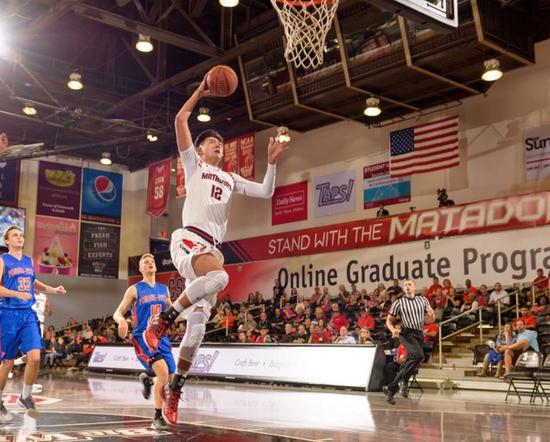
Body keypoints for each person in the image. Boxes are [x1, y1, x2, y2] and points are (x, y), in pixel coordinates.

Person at [143, 76, 290, 425]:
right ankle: (164, 321)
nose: (218, 146)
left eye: (220, 144)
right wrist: (200, 91)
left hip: (211, 249)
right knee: (221, 277)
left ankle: (175, 388)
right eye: (212, 142)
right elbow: (180, 119)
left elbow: (266, 192)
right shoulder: (194, 165)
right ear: (200, 149)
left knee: (196, 330)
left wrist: (271, 162)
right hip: (188, 239)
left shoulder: (230, 178)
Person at [0, 226, 66, 421]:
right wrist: (16, 294)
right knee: (7, 363)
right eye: (15, 235)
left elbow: (34, 283)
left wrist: (53, 290)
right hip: (8, 314)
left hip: (28, 314)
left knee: (35, 357)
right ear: (7, 241)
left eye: (21, 235)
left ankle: (25, 396)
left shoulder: (28, 260)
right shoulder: (3, 260)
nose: (19, 237)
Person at [113, 253, 175, 430]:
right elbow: (117, 313)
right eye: (146, 262)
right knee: (163, 373)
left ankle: (148, 379)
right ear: (140, 268)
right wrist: (122, 321)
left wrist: (192, 314)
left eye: (152, 261)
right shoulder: (134, 289)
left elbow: (173, 314)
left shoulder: (164, 289)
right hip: (143, 337)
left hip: (161, 337)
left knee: (170, 377)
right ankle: (157, 418)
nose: (150, 263)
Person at [384, 279, 435, 405]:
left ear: (414, 287)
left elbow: (430, 320)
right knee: (418, 355)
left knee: (416, 359)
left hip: (419, 333)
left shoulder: (423, 300)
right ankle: (404, 382)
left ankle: (391, 389)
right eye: (405, 285)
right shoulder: (399, 302)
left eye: (409, 284)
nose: (407, 286)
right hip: (406, 333)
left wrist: (431, 315)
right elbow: (389, 320)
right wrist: (393, 330)